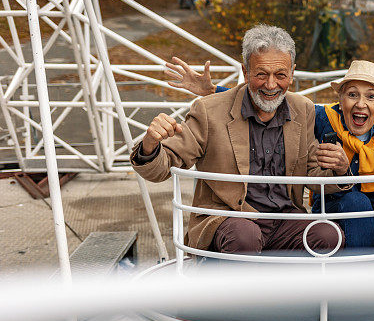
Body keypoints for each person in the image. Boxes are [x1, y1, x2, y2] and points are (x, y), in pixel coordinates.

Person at [164, 57, 374, 253]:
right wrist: (212, 90)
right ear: (340, 98)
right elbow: (269, 97)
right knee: (356, 200)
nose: (361, 104)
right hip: (340, 199)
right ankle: (360, 276)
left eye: (371, 96)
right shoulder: (321, 117)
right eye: (353, 94)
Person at [132, 24, 350, 255]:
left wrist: (340, 170)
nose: (271, 84)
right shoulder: (209, 110)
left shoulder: (302, 108)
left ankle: (297, 292)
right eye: (261, 74)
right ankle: (242, 292)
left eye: (280, 75)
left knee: (328, 235)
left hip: (285, 219)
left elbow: (311, 171)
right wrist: (150, 144)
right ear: (245, 72)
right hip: (229, 218)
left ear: (292, 73)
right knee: (245, 236)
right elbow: (161, 168)